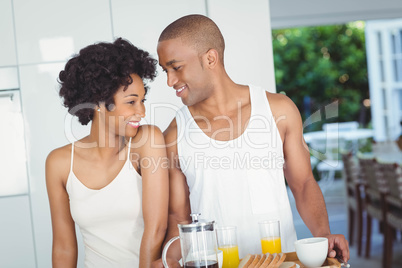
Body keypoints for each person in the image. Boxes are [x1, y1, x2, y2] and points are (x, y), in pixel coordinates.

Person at [153, 14, 350, 267]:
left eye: (176, 67)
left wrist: (323, 235)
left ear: (210, 58)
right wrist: (167, 261)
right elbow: (179, 219)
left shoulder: (279, 110)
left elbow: (303, 184)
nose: (170, 81)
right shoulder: (173, 135)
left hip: (282, 262)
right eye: (165, 71)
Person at [46, 38, 169, 268]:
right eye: (131, 102)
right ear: (99, 103)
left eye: (143, 100)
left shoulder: (147, 141)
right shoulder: (59, 163)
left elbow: (157, 227)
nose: (141, 111)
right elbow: (63, 247)